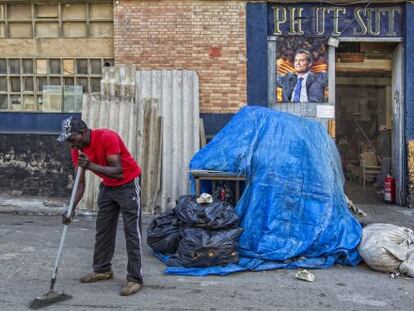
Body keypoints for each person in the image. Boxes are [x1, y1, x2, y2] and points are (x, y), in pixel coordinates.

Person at [57, 116, 143, 296]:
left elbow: (118, 171)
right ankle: (103, 269)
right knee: (103, 229)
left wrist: (90, 164)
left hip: (127, 183)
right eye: (68, 142)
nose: (72, 146)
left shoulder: (107, 137)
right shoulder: (78, 150)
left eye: (72, 139)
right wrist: (70, 209)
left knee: (132, 231)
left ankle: (135, 278)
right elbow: (80, 184)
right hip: (108, 186)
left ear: (83, 132)